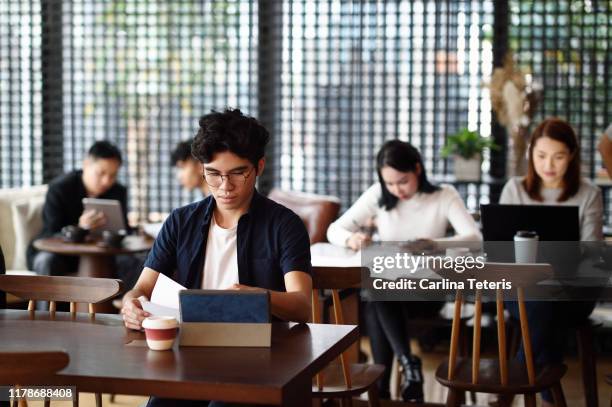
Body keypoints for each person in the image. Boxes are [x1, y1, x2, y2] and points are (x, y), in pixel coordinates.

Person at [121, 108, 312, 407]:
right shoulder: (181, 221)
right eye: (213, 174)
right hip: (188, 354)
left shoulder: (284, 225)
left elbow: (302, 305)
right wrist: (130, 304)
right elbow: (141, 289)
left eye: (238, 173)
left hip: (260, 361)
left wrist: (257, 297)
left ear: (259, 166)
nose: (225, 186)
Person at [326, 140, 481, 402]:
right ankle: (404, 370)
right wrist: (351, 240)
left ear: (417, 169)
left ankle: (385, 387)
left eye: (403, 181)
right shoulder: (378, 195)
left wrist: (434, 244)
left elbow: (475, 238)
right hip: (389, 291)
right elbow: (334, 229)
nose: (397, 189)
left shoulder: (444, 195)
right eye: (390, 183)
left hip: (428, 294)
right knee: (377, 294)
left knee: (376, 297)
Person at [500, 117, 603, 407]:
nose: (549, 165)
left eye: (558, 157)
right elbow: (498, 246)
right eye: (541, 156)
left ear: (571, 155)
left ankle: (512, 387)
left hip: (573, 290)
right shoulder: (515, 189)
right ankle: (547, 397)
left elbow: (593, 251)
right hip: (523, 288)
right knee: (539, 304)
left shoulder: (588, 193)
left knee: (543, 305)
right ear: (531, 153)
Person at [28, 140, 129, 277]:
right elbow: (51, 232)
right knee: (47, 261)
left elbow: (124, 229)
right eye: (101, 173)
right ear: (86, 164)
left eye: (112, 175)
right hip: (62, 254)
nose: (106, 181)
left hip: (102, 253)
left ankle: (129, 299)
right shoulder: (60, 189)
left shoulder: (118, 191)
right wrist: (80, 228)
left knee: (134, 262)